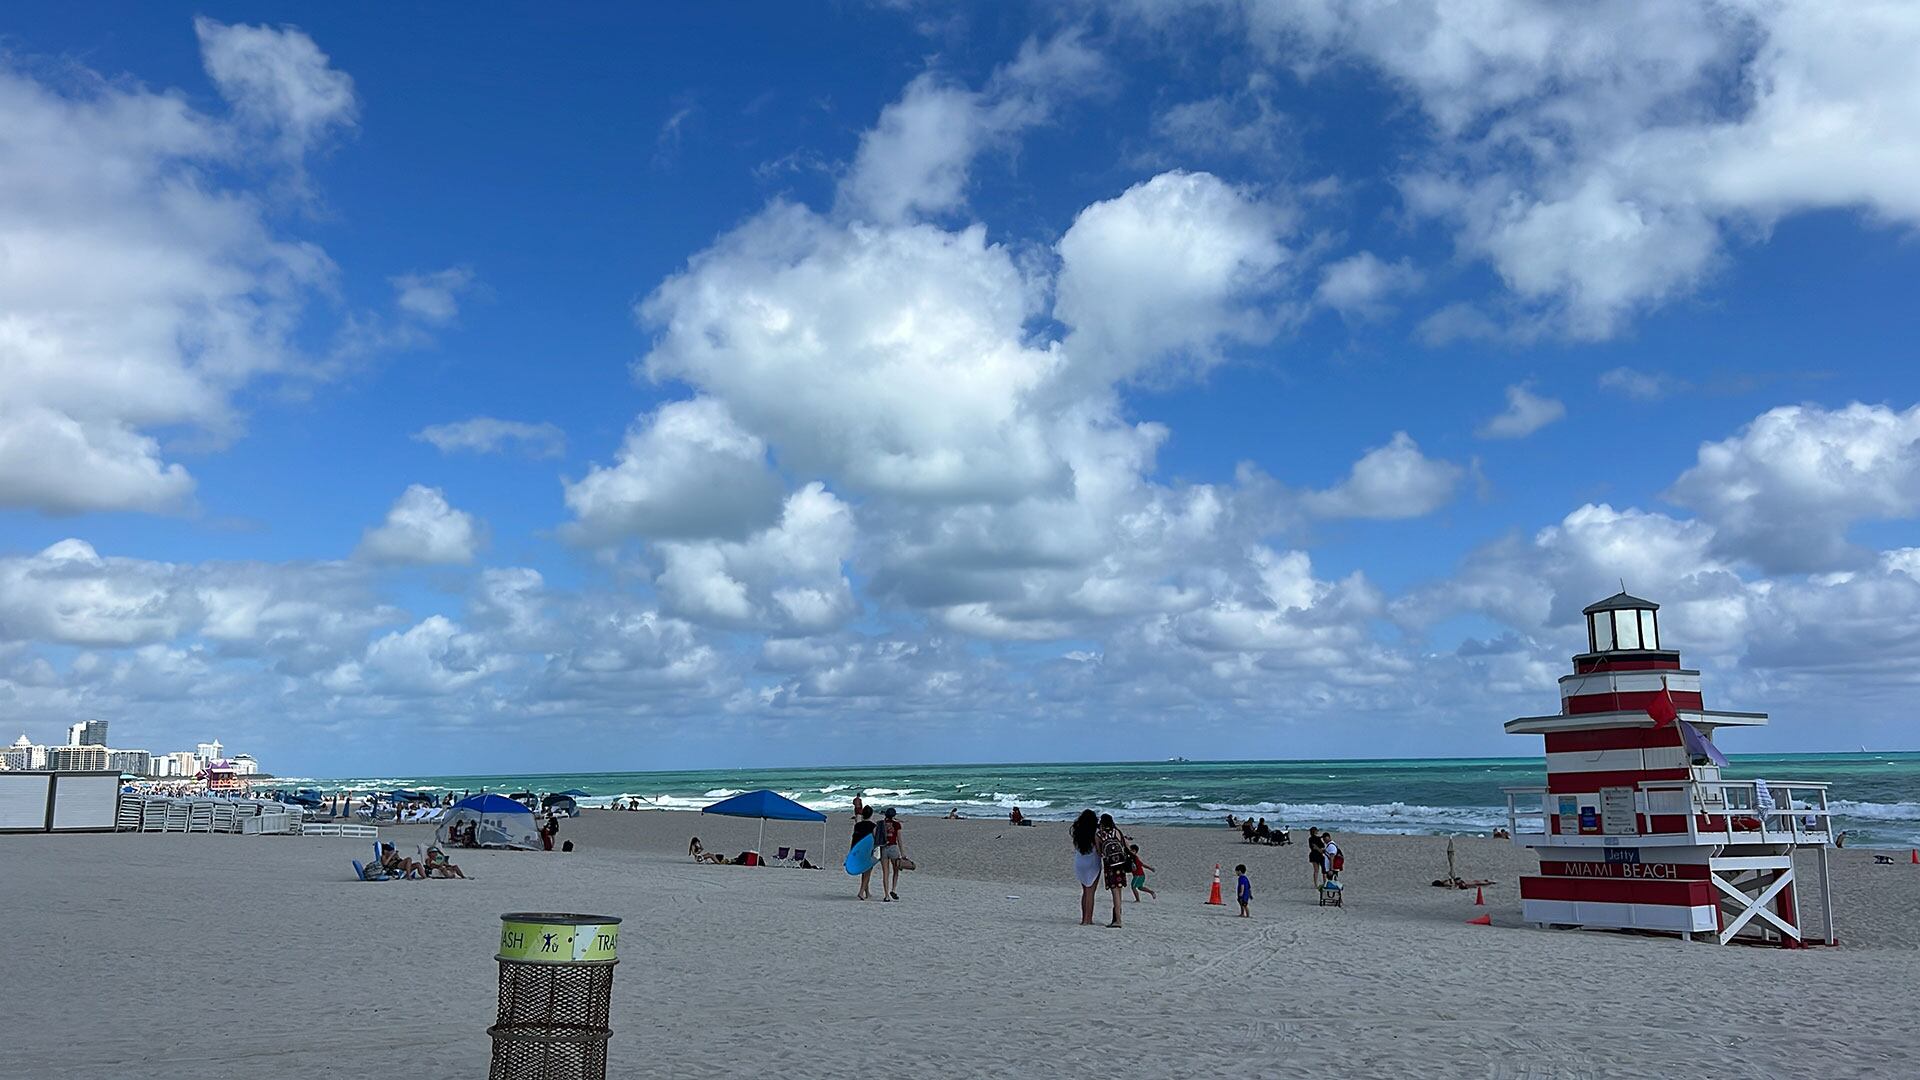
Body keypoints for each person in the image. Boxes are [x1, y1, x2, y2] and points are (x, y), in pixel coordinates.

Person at [1094, 813, 1132, 928]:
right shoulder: (1117, 832)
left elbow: (1099, 852)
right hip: (1120, 864)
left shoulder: (1099, 835)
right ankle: (1116, 917)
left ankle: (1118, 920)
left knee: (1114, 892)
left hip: (1110, 866)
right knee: (1119, 892)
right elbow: (1127, 847)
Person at [1070, 810, 1100, 925]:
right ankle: (1089, 919)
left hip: (1080, 862)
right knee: (1091, 892)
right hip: (1092, 862)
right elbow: (1098, 850)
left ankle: (1083, 918)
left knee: (1085, 891)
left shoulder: (1077, 832)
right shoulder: (1095, 833)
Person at [876, 807, 905, 902]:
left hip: (883, 848)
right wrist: (903, 853)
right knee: (896, 870)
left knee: (885, 873)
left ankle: (886, 895)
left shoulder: (880, 824)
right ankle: (893, 889)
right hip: (893, 848)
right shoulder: (897, 824)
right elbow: (899, 840)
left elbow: (876, 836)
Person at [851, 806, 878, 900]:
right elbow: (875, 840)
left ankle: (867, 892)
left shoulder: (857, 825)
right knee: (867, 872)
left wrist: (851, 853)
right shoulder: (873, 826)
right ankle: (861, 892)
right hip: (867, 851)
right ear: (871, 814)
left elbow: (854, 838)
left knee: (864, 871)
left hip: (858, 851)